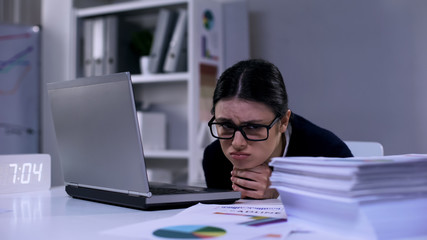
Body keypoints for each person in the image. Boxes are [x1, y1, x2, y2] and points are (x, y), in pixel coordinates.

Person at [202, 59, 353, 199]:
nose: (237, 143)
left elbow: (356, 216)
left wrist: (280, 193)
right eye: (226, 126)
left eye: (253, 127)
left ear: (283, 122)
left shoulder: (329, 154)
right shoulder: (214, 158)